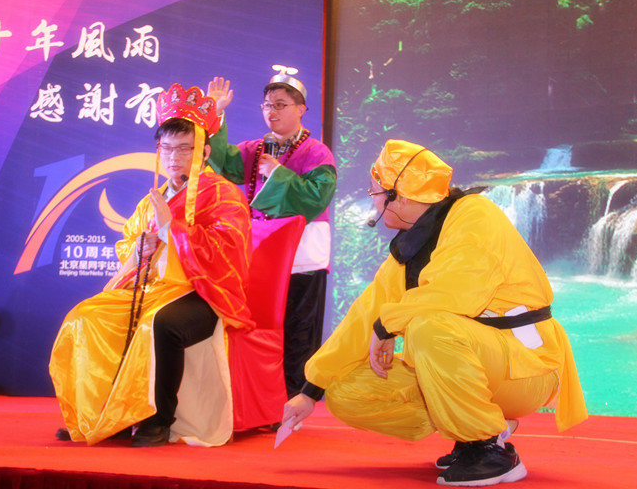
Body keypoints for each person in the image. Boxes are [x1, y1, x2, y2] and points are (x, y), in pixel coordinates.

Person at [281, 140, 587, 486]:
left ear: (400, 196)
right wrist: (311, 389)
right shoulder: (411, 246)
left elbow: (458, 291)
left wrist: (387, 325)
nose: (373, 200)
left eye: (376, 191)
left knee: (429, 327)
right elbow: (364, 315)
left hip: (527, 366)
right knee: (345, 392)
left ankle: (489, 451)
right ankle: (475, 428)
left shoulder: (475, 214)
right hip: (480, 362)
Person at [49, 83, 254, 447]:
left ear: (204, 151)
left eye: (184, 148)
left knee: (160, 323)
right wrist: (141, 249)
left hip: (203, 292)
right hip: (153, 287)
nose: (174, 157)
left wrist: (171, 230)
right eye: (167, 148)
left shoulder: (223, 194)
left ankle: (158, 419)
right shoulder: (154, 199)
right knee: (86, 316)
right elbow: (130, 245)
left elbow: (228, 252)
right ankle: (102, 416)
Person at [206, 73, 337, 398]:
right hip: (261, 253)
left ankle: (293, 403)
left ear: (301, 109)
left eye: (280, 105)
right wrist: (217, 113)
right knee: (259, 327)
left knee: (299, 331)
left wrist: (277, 174)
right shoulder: (254, 149)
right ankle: (258, 399)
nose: (271, 111)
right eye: (267, 105)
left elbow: (317, 198)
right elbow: (220, 163)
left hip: (302, 257)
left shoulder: (317, 153)